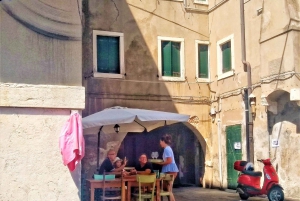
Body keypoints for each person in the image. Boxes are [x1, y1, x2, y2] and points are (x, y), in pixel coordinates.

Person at [155, 134, 178, 201]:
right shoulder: (168, 148)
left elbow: (169, 160)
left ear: (163, 141)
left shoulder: (167, 149)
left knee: (169, 190)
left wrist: (160, 163)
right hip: (170, 169)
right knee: (167, 189)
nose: (160, 143)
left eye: (160, 142)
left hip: (170, 170)